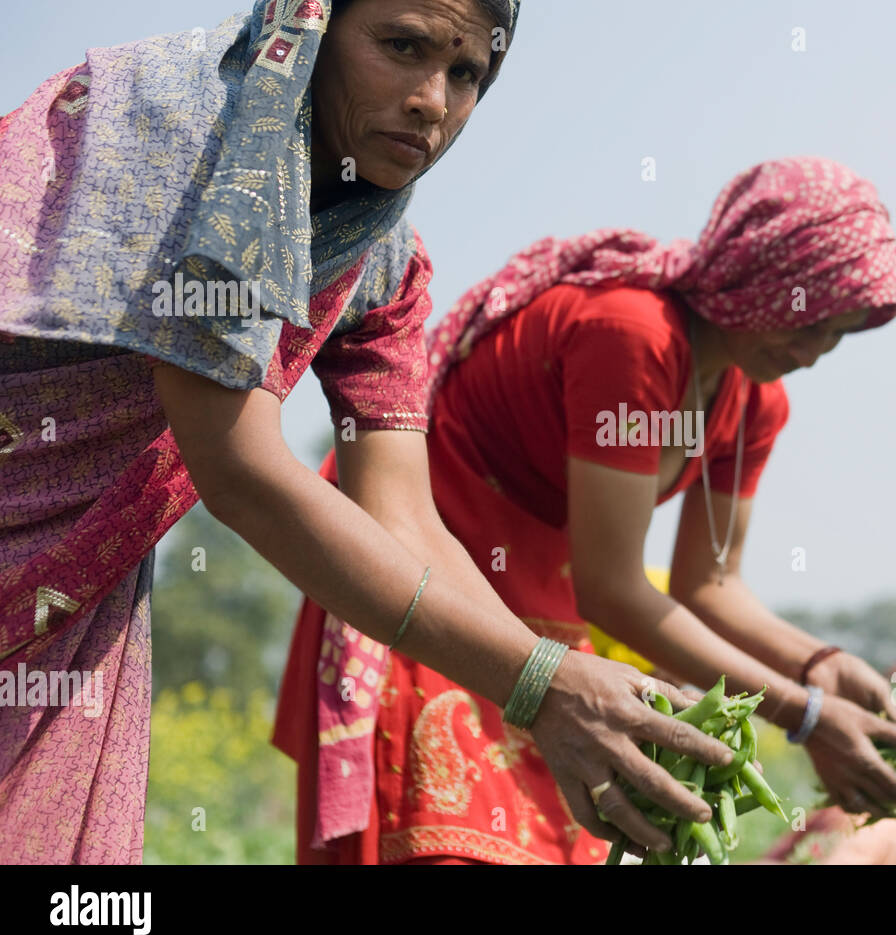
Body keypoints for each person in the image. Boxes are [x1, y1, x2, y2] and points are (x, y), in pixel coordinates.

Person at [2, 0, 731, 866]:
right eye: (402, 46)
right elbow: (238, 464)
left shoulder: (380, 255)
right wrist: (536, 682)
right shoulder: (192, 129)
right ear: (312, 28)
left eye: (467, 73)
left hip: (74, 598)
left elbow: (406, 517)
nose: (433, 100)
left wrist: (553, 683)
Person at [276, 156, 896, 864]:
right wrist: (802, 716)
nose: (811, 353)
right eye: (805, 322)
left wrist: (819, 664)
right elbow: (613, 588)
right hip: (436, 600)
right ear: (757, 274)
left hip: (551, 636)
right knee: (448, 842)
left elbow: (709, 584)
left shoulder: (755, 402)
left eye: (836, 335)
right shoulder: (632, 334)